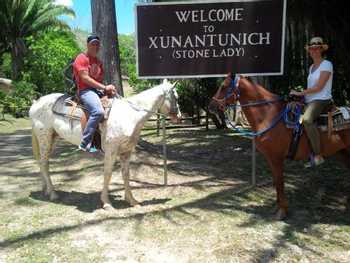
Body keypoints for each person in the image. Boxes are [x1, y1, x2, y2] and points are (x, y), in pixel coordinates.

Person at [290, 37, 333, 167]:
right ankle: (302, 152)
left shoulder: (327, 64)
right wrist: (301, 97)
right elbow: (311, 88)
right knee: (290, 111)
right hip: (310, 100)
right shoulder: (311, 67)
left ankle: (318, 155)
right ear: (309, 51)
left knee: (307, 120)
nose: (314, 51)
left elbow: (319, 88)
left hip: (321, 99)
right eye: (312, 49)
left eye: (317, 48)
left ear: (321, 50)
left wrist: (299, 93)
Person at [73, 35, 116, 153]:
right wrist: (104, 87)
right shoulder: (81, 58)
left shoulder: (98, 62)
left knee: (115, 105)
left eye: (97, 44)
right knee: (98, 112)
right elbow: (85, 78)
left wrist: (107, 90)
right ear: (87, 45)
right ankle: (84, 143)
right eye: (93, 44)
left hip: (96, 90)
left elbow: (99, 81)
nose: (95, 46)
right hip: (85, 91)